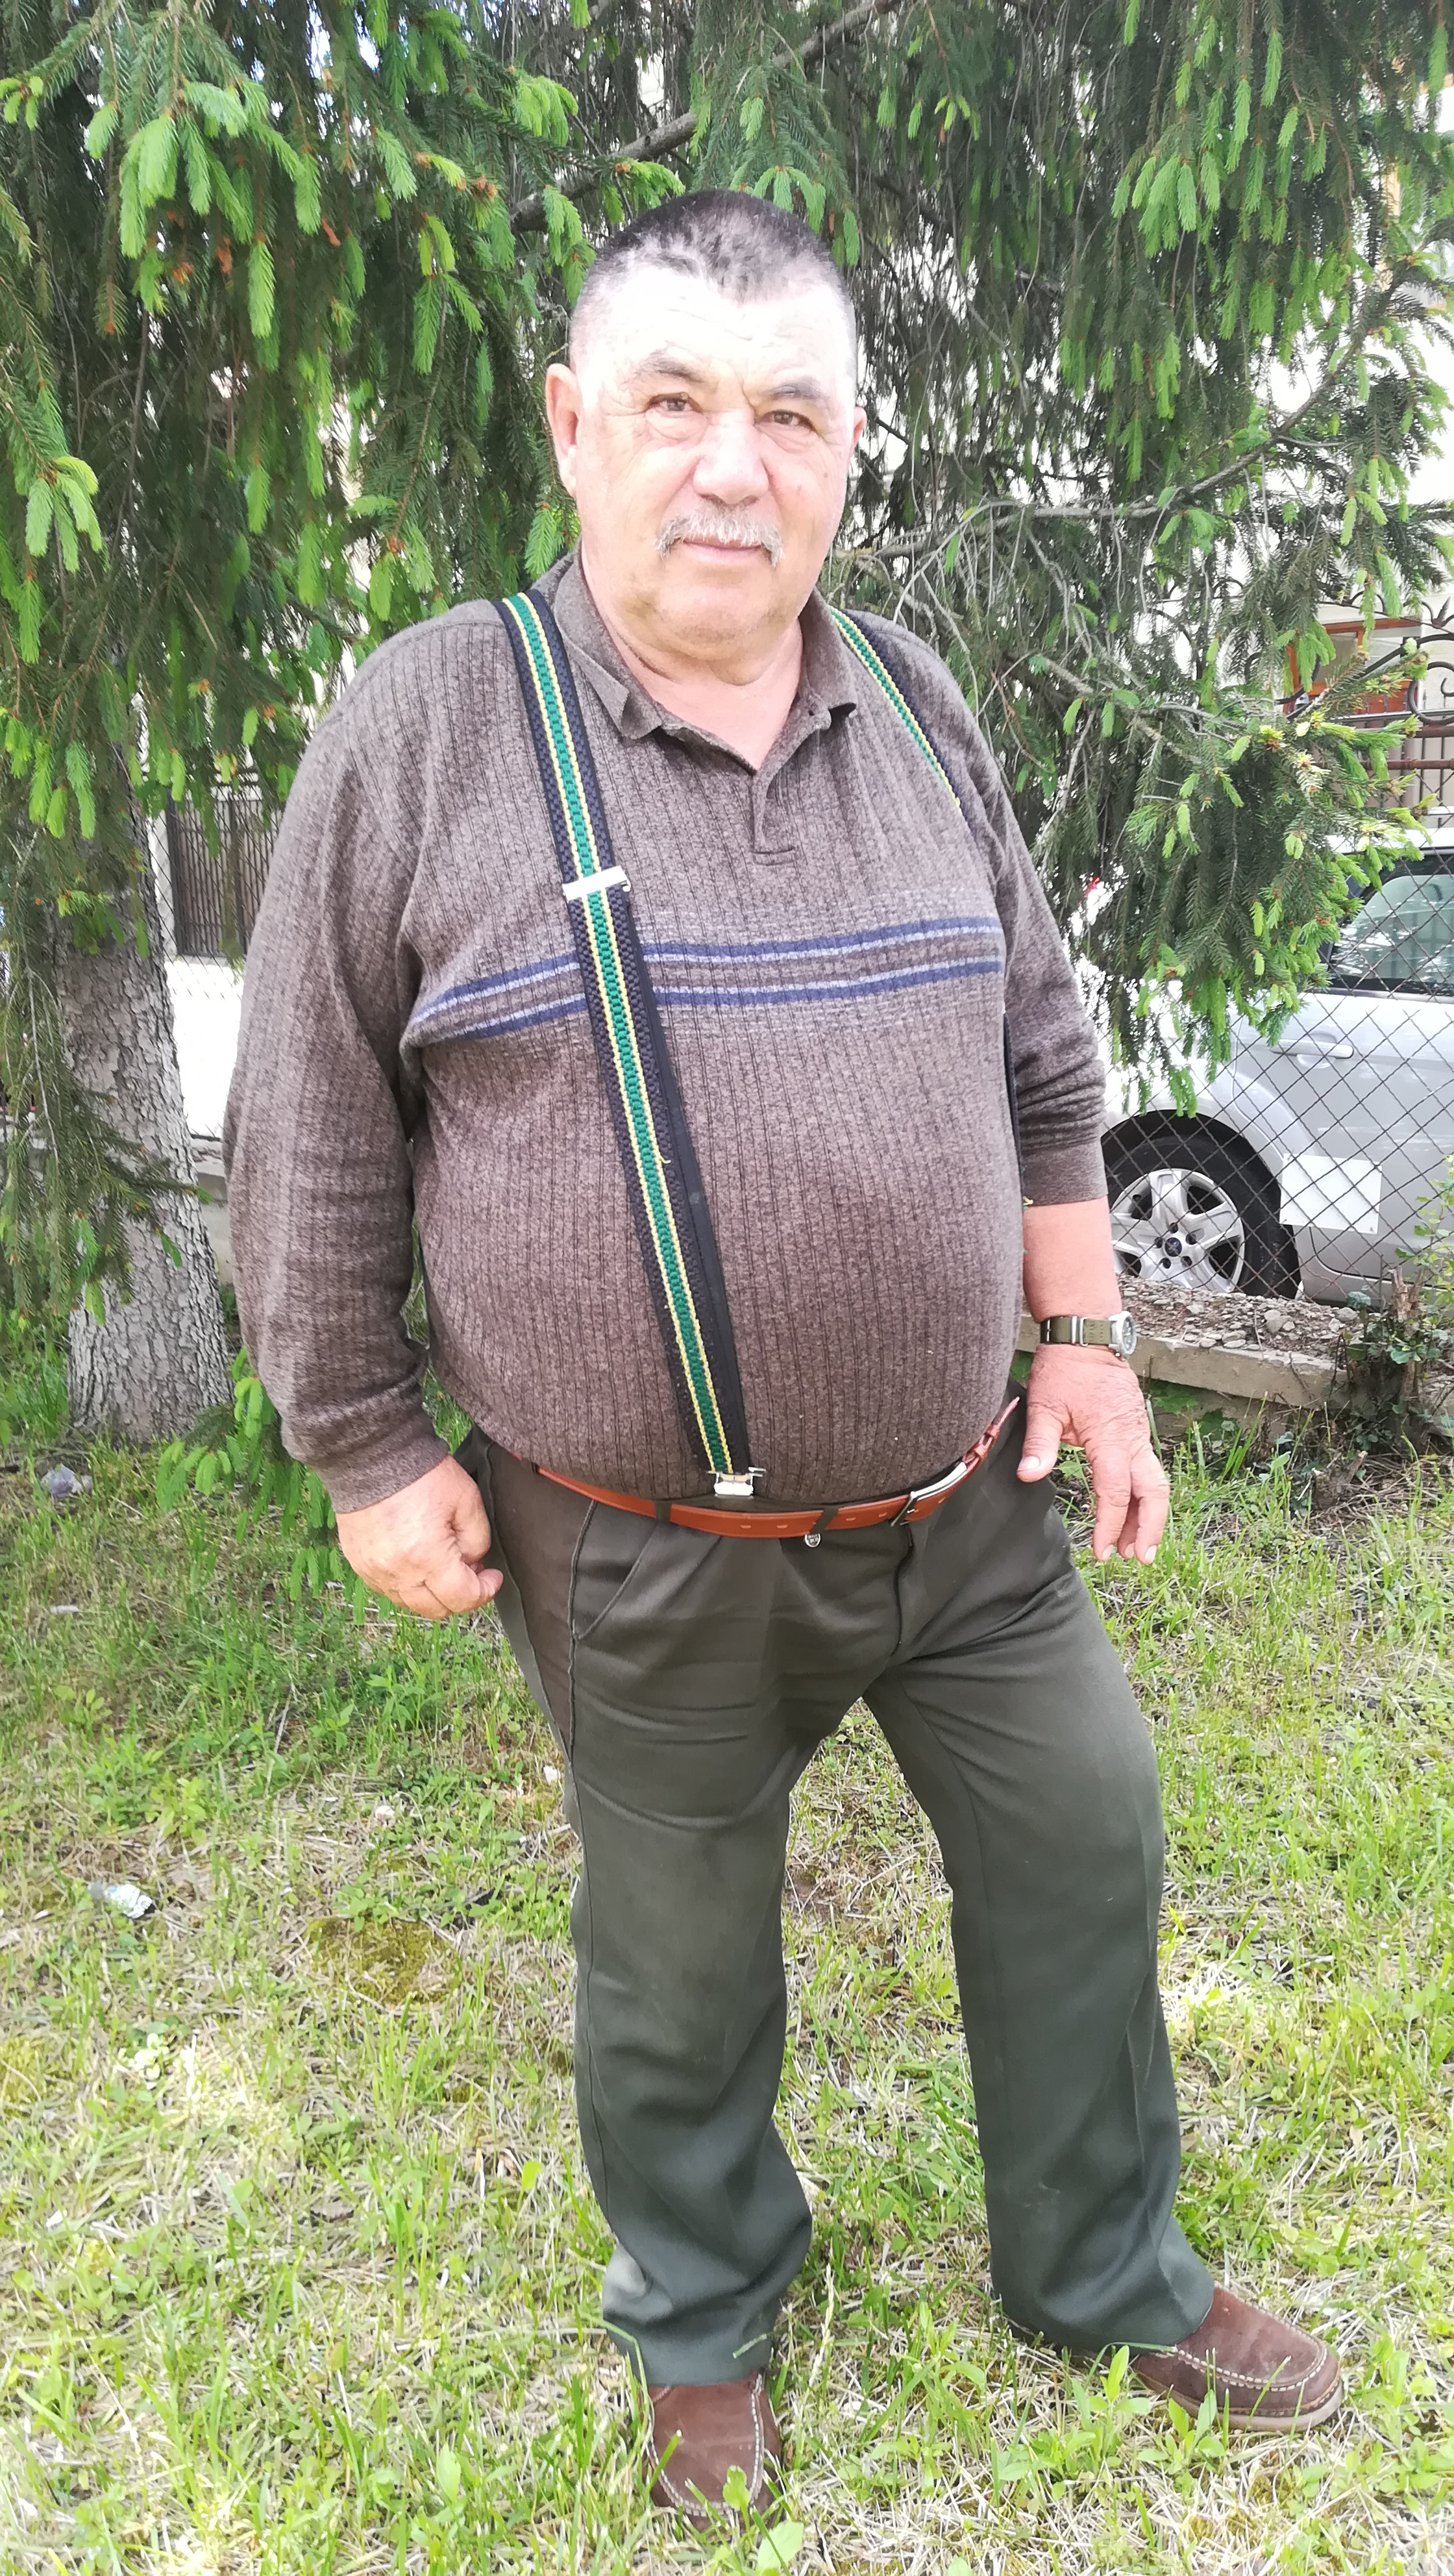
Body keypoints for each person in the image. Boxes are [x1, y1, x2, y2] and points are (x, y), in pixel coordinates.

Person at [225, 190, 1341, 2525]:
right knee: (678, 1962)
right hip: (638, 1546)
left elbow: (1042, 1047)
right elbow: (312, 1108)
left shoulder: (913, 699)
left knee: (1085, 1839)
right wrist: (359, 1445)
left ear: (846, 454)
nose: (731, 466)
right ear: (571, 428)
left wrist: (1085, 1337)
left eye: (789, 416)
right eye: (673, 404)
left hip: (968, 1507)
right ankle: (708, 2311)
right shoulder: (432, 721)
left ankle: (1104, 2272)